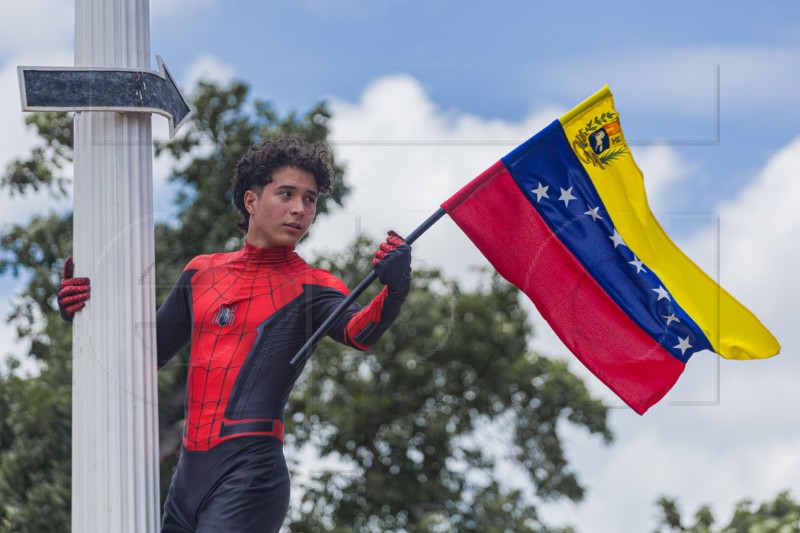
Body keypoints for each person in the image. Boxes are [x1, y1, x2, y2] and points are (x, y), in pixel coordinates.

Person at [58, 136, 412, 532]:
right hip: (186, 479)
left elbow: (359, 331)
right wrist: (83, 315)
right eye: (287, 194)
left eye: (310, 200)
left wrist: (395, 289)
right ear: (251, 201)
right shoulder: (201, 271)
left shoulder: (314, 285)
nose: (299, 209)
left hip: (252, 476)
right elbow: (144, 355)